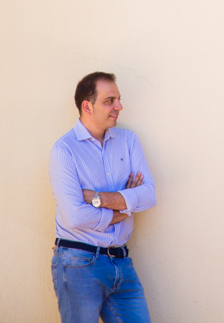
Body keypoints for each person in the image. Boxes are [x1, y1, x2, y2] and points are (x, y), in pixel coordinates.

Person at [49, 71, 157, 323]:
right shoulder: (64, 149)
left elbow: (149, 195)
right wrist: (126, 207)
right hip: (78, 263)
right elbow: (75, 216)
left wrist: (98, 198)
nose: (119, 106)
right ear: (87, 106)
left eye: (118, 99)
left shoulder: (128, 141)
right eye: (110, 101)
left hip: (121, 263)